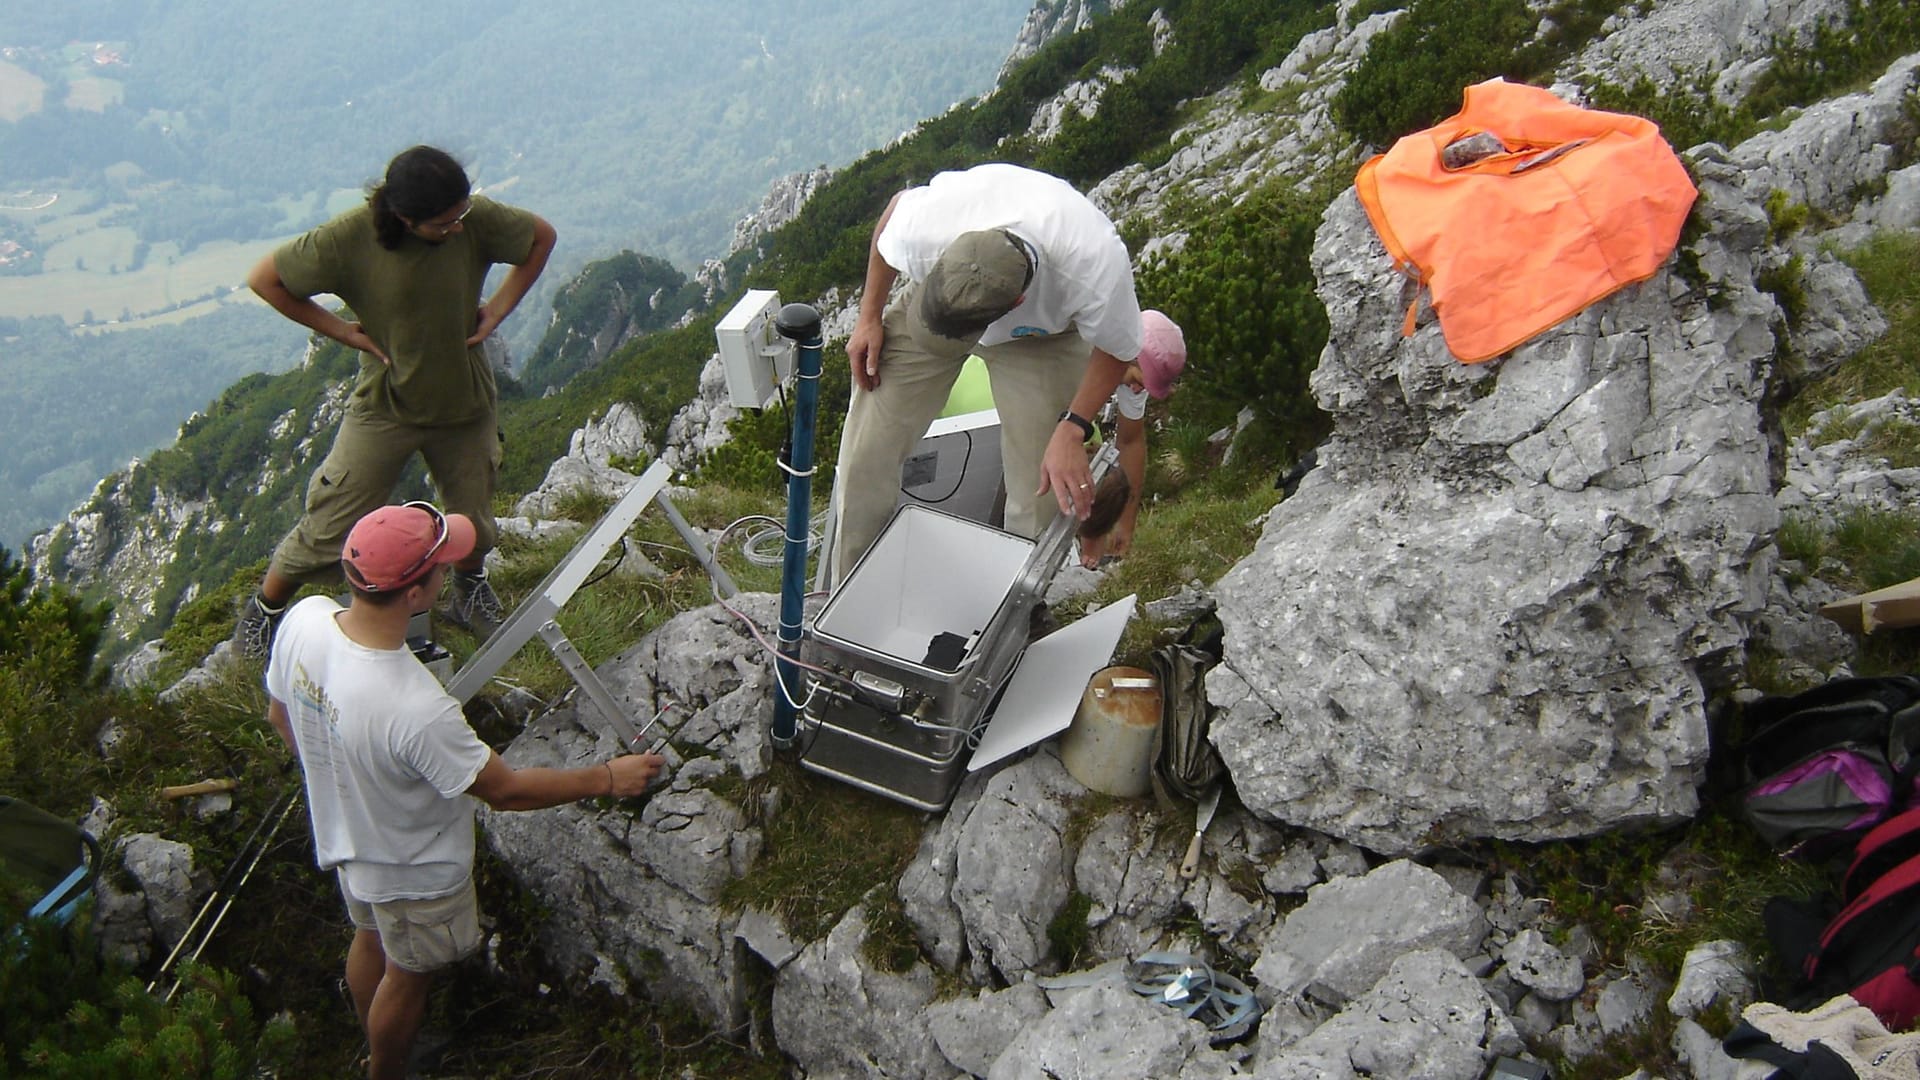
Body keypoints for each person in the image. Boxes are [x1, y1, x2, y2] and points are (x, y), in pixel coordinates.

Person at [265, 502, 665, 1080]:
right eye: (440, 567)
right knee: (407, 974)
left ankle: (372, 1037)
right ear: (415, 594)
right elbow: (504, 791)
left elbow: (282, 715)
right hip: (411, 866)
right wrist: (607, 777)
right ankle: (386, 1068)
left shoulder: (304, 620)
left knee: (369, 936)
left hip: (344, 837)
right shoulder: (413, 705)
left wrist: (337, 776)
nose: (448, 571)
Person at [236, 145, 557, 658]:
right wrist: (342, 332)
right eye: (444, 223)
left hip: (463, 398)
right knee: (331, 519)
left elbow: (540, 237)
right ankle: (266, 610)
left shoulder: (469, 218)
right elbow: (265, 280)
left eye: (462, 215)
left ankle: (469, 590)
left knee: (472, 513)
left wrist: (496, 311)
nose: (458, 228)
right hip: (385, 403)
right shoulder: (349, 239)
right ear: (404, 218)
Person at [833, 162, 1143, 583]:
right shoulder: (930, 224)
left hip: (1044, 337)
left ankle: (1020, 602)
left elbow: (1118, 348)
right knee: (866, 449)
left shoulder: (1092, 263)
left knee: (1041, 487)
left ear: (1016, 304)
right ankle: (850, 588)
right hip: (937, 303)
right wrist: (869, 316)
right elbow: (892, 216)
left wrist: (1073, 428)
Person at [1077, 309, 1186, 568]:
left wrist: (1124, 523)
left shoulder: (1135, 374)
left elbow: (1130, 441)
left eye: (1145, 387)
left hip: (1077, 420)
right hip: (1023, 407)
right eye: (1138, 381)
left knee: (1106, 479)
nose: (1137, 390)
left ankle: (1085, 559)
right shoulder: (1083, 348)